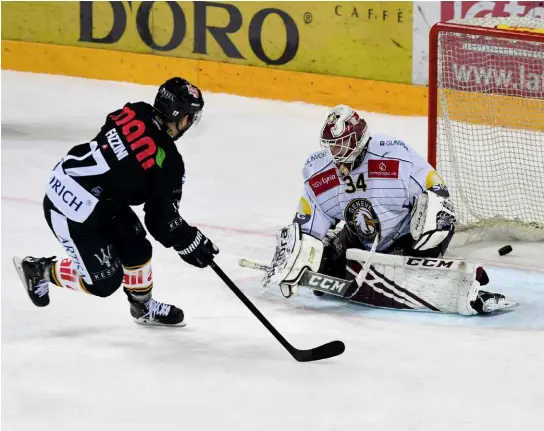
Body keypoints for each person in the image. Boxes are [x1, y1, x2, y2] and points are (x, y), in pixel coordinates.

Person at [263, 104, 510, 314]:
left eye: (342, 143)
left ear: (358, 137)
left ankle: (449, 278)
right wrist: (298, 253)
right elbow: (308, 223)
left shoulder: (393, 154)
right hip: (358, 239)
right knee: (321, 271)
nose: (336, 152)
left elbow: (433, 186)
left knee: (405, 266)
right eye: (331, 146)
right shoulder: (319, 171)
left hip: (406, 236)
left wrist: (437, 217)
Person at [13, 77, 219, 326]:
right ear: (182, 117)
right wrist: (190, 242)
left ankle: (142, 308)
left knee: (137, 248)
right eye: (191, 117)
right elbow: (160, 220)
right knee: (103, 283)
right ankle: (39, 271)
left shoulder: (135, 110)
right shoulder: (169, 164)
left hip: (93, 191)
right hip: (71, 209)